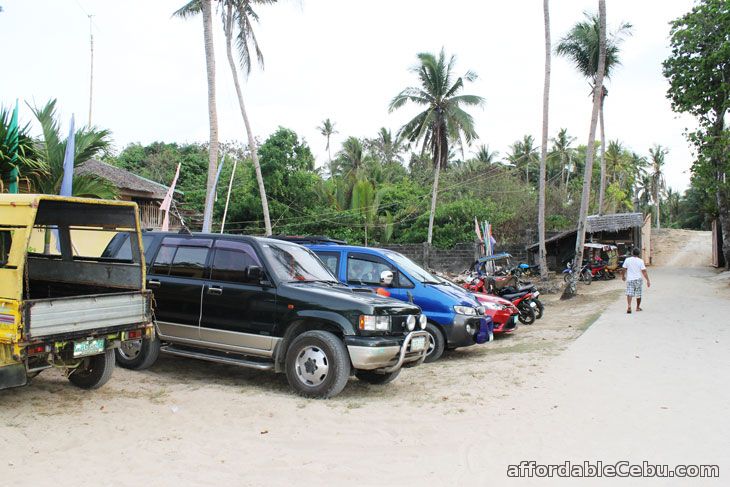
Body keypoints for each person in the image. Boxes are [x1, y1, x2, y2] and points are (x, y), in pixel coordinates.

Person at [622, 247, 650, 314]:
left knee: (629, 293)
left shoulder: (627, 260)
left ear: (632, 253)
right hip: (638, 279)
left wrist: (623, 276)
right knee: (638, 294)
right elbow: (644, 271)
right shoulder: (640, 261)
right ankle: (637, 307)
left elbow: (623, 269)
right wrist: (648, 280)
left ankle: (629, 306)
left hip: (630, 279)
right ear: (639, 254)